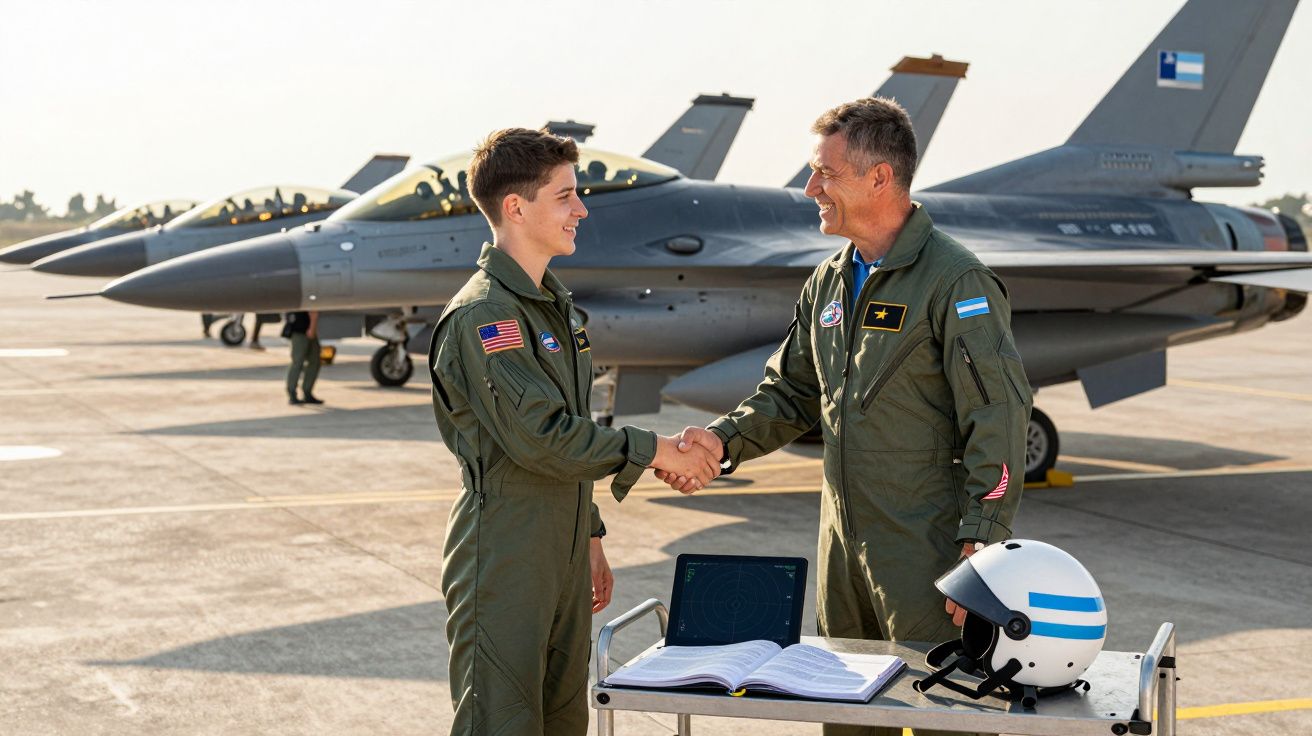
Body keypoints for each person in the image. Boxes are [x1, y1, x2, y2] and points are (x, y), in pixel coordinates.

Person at [659, 98, 1032, 736]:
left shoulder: (955, 281)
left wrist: (982, 546)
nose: (811, 188)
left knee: (948, 717)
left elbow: (998, 417)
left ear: (879, 177)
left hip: (929, 551)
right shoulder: (829, 281)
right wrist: (721, 441)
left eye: (826, 173)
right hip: (842, 548)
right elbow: (790, 392)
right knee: (845, 714)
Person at [428, 128, 719, 736]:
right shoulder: (487, 315)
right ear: (516, 208)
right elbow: (543, 438)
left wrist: (588, 535)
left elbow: (574, 428)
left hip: (559, 546)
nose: (581, 209)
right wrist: (658, 450)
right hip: (506, 552)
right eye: (565, 196)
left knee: (563, 720)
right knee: (502, 723)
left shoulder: (550, 305)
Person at [282, 310, 322, 405]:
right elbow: (313, 312)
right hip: (301, 330)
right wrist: (312, 328)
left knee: (314, 361)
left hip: (304, 328)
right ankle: (292, 393)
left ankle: (306, 392)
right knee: (298, 362)